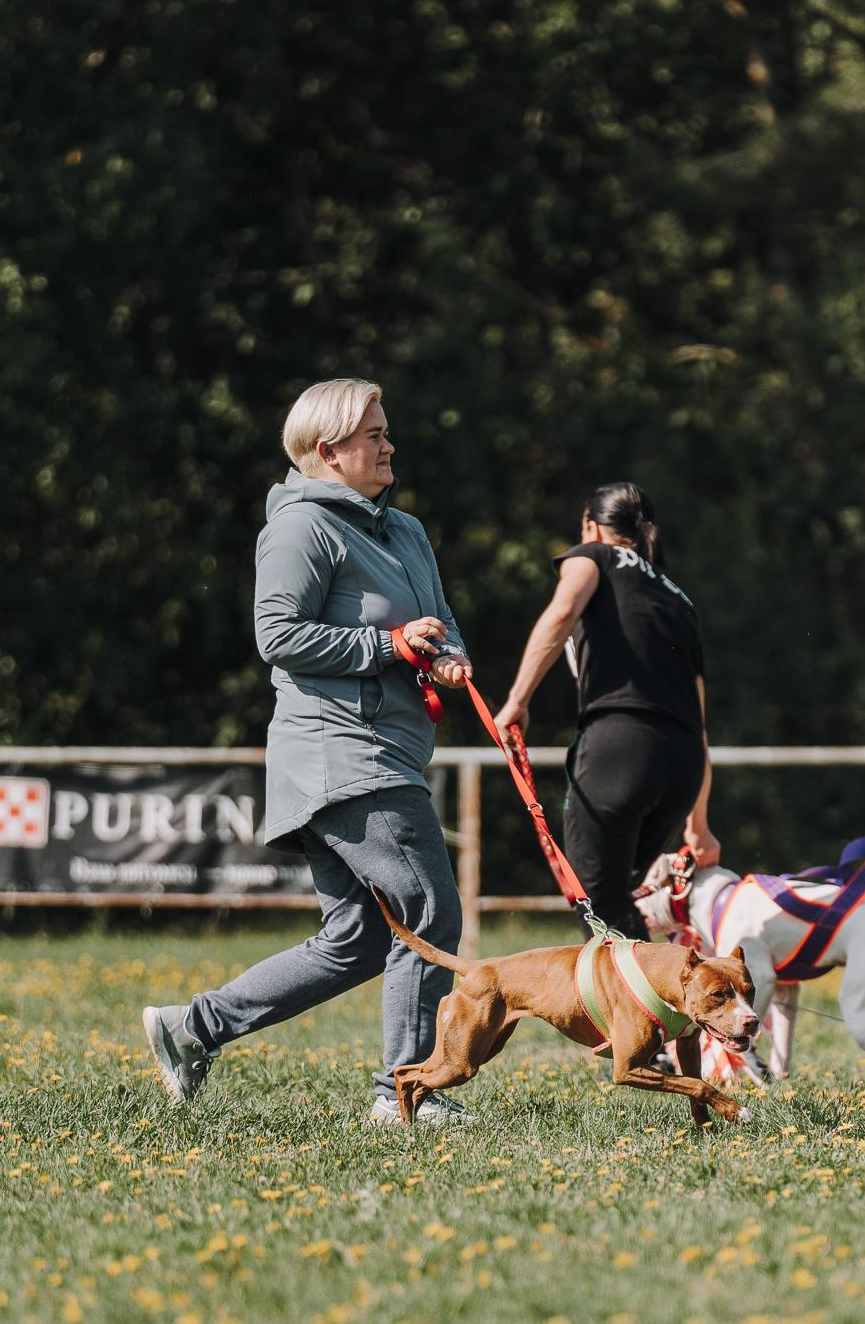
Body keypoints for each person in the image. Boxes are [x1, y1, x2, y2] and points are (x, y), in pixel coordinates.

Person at [143, 378, 476, 1124]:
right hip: (343, 755)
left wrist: (447, 654)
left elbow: (438, 619)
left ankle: (191, 1027)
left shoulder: (407, 531)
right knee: (428, 913)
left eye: (387, 432)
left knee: (358, 939)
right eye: (373, 435)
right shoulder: (301, 529)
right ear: (326, 452)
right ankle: (407, 1095)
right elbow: (279, 636)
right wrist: (386, 645)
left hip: (384, 747)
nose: (388, 445)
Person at [492, 482, 718, 940]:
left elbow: (561, 613)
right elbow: (698, 719)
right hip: (682, 765)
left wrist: (517, 700)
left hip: (621, 747)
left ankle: (651, 1003)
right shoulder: (680, 600)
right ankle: (665, 928)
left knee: (596, 897)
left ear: (591, 527)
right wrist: (699, 824)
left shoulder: (593, 556)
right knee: (616, 891)